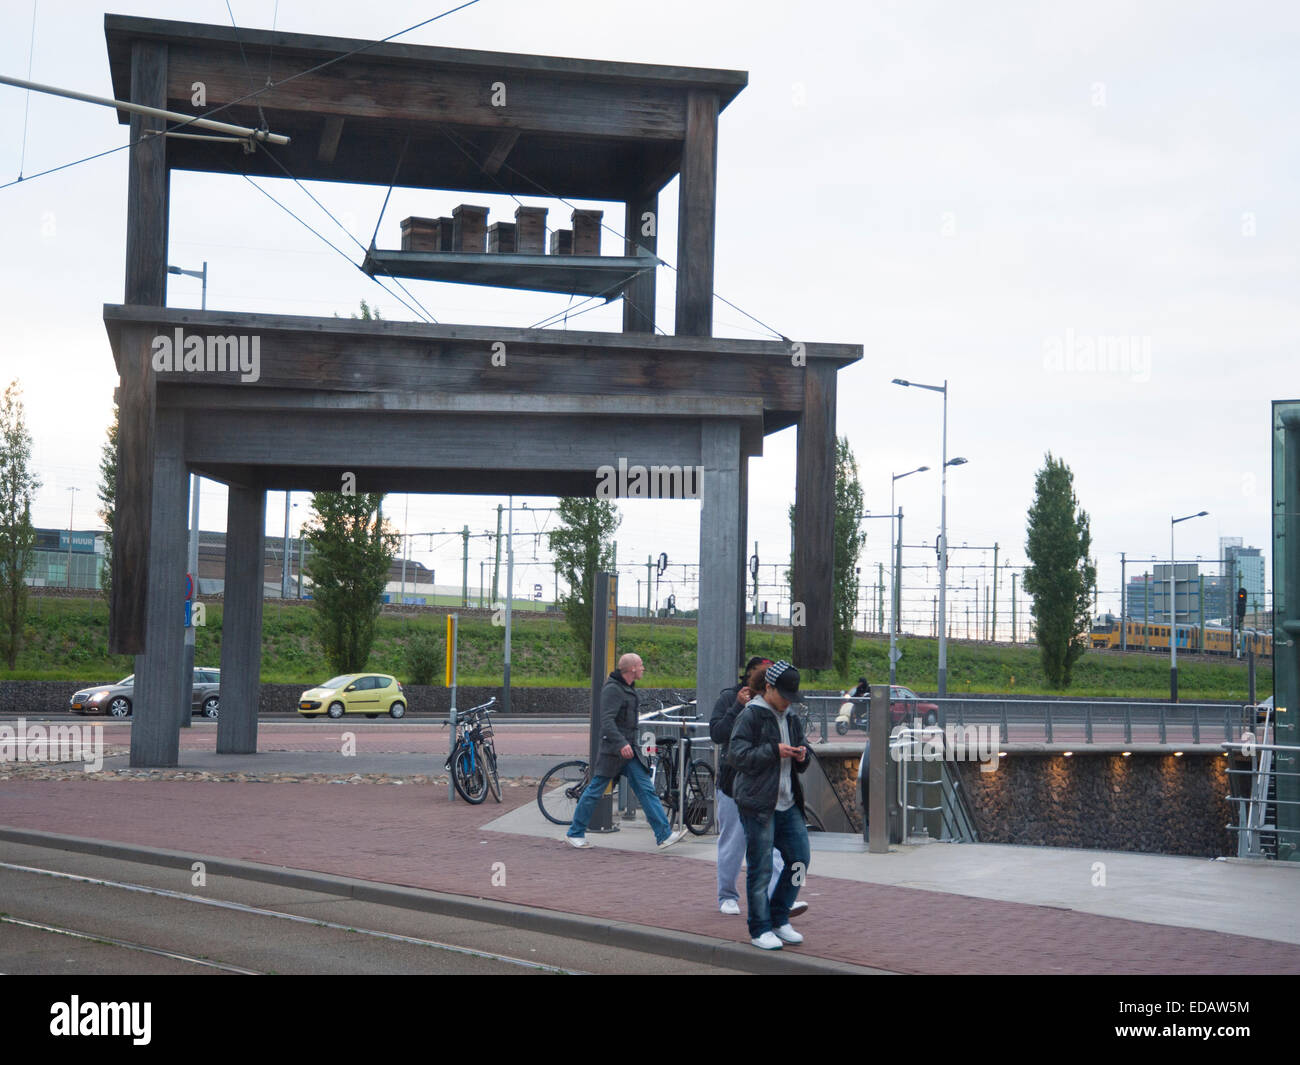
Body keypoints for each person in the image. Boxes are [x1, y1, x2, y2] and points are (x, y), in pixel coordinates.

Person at [710, 656, 808, 919]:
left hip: (770, 791)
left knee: (777, 850)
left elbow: (799, 744)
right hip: (734, 785)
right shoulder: (733, 699)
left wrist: (801, 754)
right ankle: (728, 895)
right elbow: (718, 735)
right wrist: (736, 707)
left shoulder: (783, 712)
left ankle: (779, 898)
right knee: (734, 843)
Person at [728, 660, 812, 950]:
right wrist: (773, 751)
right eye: (784, 694)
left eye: (792, 695)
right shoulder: (751, 716)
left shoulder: (791, 717)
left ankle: (779, 918)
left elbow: (804, 750)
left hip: (788, 802)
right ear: (768, 688)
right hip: (758, 803)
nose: (789, 701)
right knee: (760, 868)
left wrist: (803, 756)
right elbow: (736, 756)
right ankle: (760, 928)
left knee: (800, 859)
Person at [566, 652, 688, 851]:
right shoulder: (613, 690)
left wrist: (626, 744)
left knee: (645, 790)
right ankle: (575, 833)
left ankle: (664, 835)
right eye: (640, 665)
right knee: (595, 790)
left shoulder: (625, 688)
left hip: (627, 753)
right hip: (614, 752)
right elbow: (606, 721)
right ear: (631, 669)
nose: (643, 668)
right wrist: (621, 743)